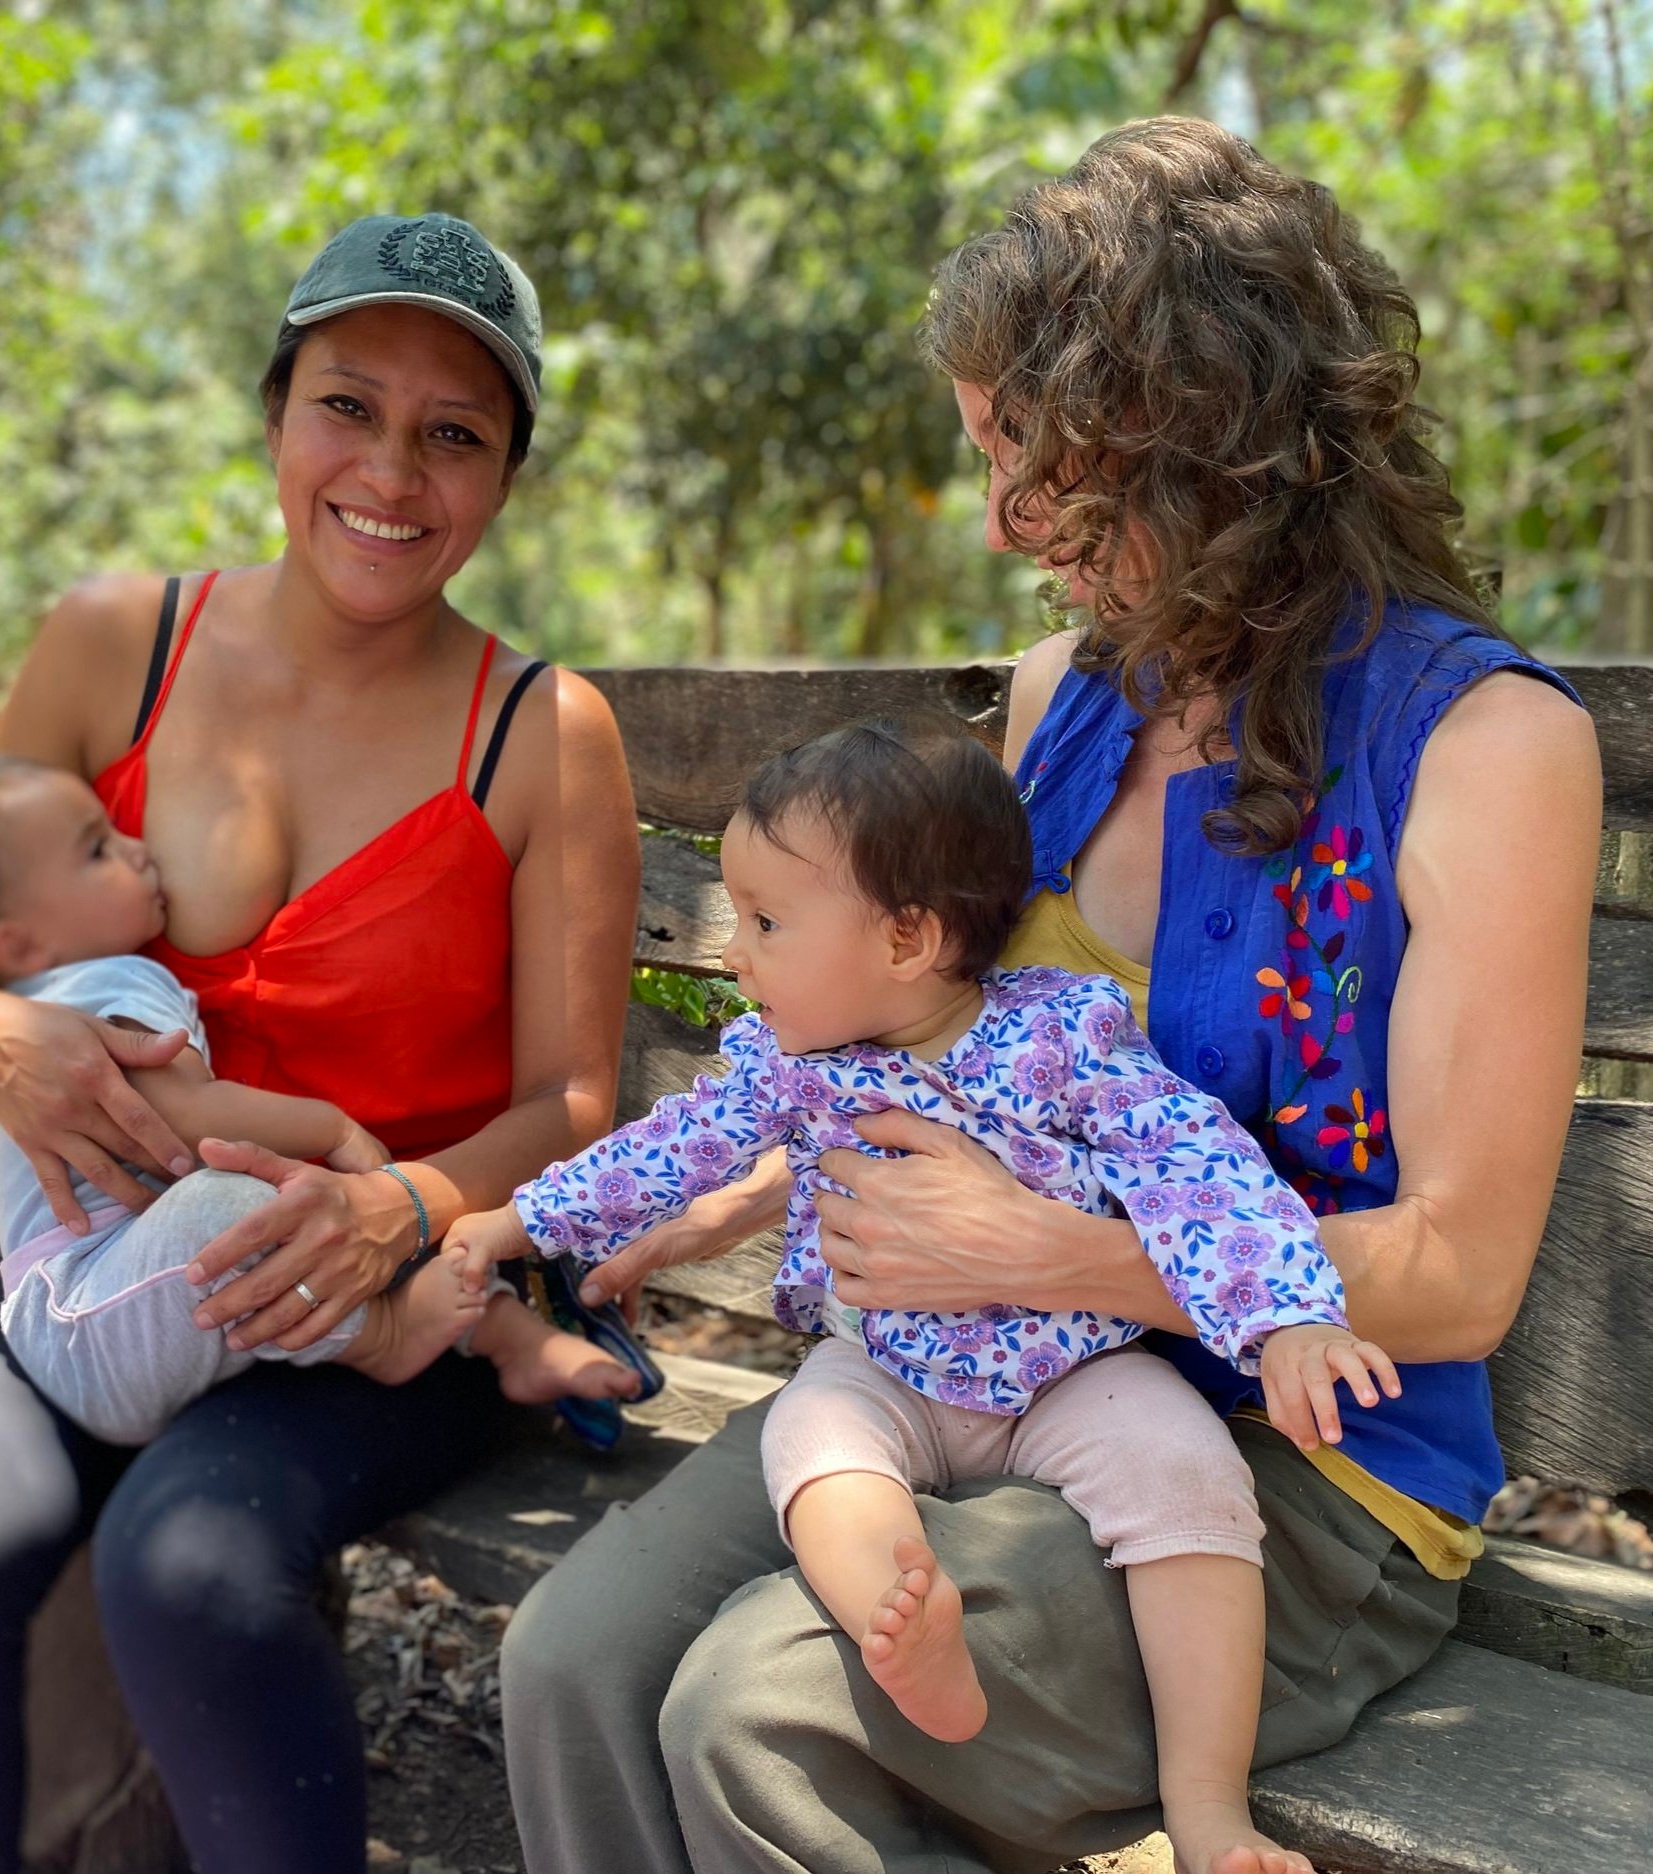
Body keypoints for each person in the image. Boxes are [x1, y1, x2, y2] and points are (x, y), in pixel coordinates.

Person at [499, 119, 1601, 1874]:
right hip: (963, 1374)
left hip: (1294, 1469)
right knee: (572, 1657)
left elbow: (1459, 1274)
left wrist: (1043, 1252)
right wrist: (721, 1197)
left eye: (1046, 467)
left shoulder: (1482, 745)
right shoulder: (1056, 704)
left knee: (755, 1716)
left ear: (1208, 429)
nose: (1011, 525)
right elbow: (955, 1064)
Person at [0, 212, 640, 1873]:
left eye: (456, 434)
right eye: (349, 405)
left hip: (369, 1290)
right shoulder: (110, 643)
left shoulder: (545, 735)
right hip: (83, 1261)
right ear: (276, 414)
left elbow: (571, 1098)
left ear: (502, 479)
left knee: (185, 1563)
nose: (391, 473)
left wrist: (392, 1207)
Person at [453, 714, 1397, 1874]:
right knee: (819, 1445)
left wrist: (1286, 1313)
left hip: (1072, 1371)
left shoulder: (1061, 1033)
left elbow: (1194, 1166)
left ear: (907, 937)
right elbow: (661, 1154)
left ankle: (1208, 1805)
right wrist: (515, 1222)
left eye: (765, 922)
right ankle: (907, 1619)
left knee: (1189, 1476)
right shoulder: (788, 1062)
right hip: (884, 1364)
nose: (737, 952)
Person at [0, 756, 637, 1446]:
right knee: (241, 1202)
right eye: (98, 851)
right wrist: (326, 1125)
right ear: (17, 944)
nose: (135, 849)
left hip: (141, 1304)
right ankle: (389, 1336)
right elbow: (188, 1124)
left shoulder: (57, 999)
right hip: (83, 1319)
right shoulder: (102, 987)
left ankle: (503, 1335)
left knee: (324, 1205)